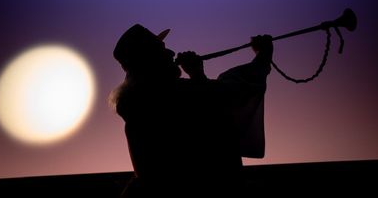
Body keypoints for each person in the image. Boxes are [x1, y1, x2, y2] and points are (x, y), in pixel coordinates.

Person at [110, 24, 273, 197]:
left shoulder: (138, 103)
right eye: (162, 50)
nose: (171, 53)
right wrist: (262, 57)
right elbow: (225, 95)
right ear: (150, 60)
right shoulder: (169, 96)